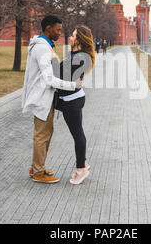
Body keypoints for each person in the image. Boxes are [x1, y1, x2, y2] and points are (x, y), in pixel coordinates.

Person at [22, 15, 82, 184]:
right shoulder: (42, 48)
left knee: (46, 133)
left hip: (46, 97)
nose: (60, 33)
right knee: (42, 135)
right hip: (42, 97)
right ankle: (39, 172)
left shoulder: (45, 45)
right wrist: (72, 85)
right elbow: (49, 78)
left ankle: (36, 167)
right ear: (48, 28)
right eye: (58, 29)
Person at [54, 25, 95, 185]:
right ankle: (83, 162)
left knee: (78, 134)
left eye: (73, 35)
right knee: (77, 133)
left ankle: (81, 170)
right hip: (71, 99)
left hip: (73, 101)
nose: (69, 37)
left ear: (79, 39)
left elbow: (58, 74)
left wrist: (51, 57)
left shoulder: (81, 57)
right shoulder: (76, 54)